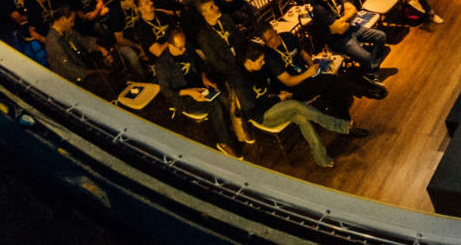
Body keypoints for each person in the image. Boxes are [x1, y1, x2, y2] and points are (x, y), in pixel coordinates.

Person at [234, 44, 365, 169]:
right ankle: (339, 125)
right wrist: (277, 98)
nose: (263, 63)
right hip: (263, 116)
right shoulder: (240, 82)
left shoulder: (258, 70)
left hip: (274, 105)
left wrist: (278, 94)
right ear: (249, 62)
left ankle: (321, 157)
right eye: (260, 61)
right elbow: (253, 108)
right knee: (295, 106)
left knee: (302, 117)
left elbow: (266, 91)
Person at [153, 29, 241, 157]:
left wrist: (204, 77)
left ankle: (233, 127)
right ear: (170, 45)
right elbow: (166, 91)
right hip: (185, 97)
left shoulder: (188, 47)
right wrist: (189, 92)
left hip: (199, 87)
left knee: (223, 96)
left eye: (184, 46)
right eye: (179, 48)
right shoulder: (162, 64)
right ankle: (224, 142)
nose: (183, 50)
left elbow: (199, 64)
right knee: (214, 105)